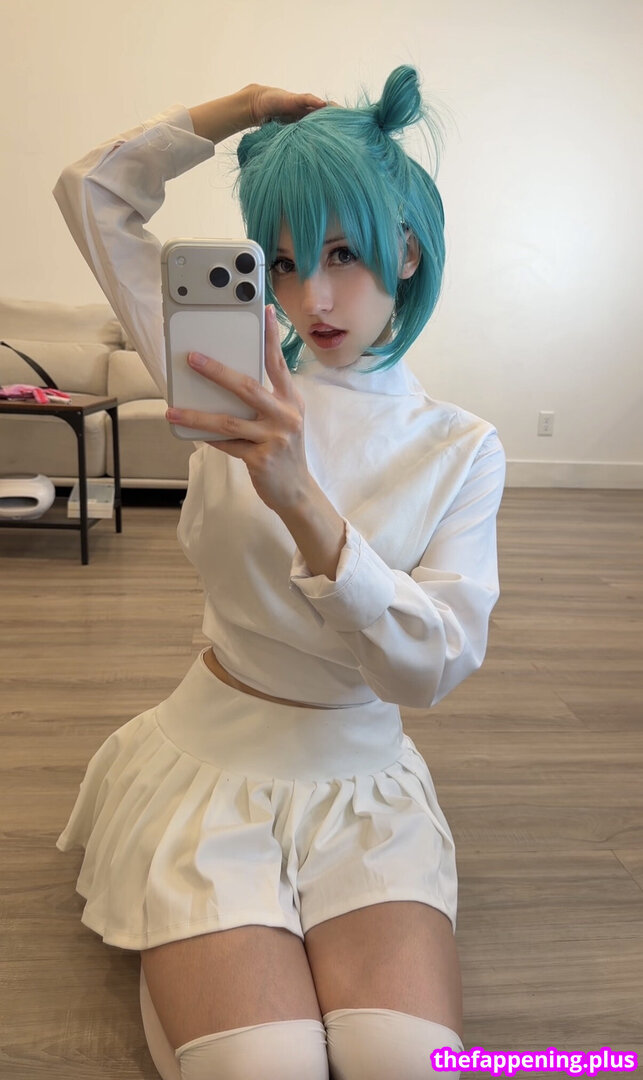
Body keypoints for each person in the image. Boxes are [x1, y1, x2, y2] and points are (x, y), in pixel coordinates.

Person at [53, 65, 505, 1080]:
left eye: (343, 254)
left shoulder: (460, 448)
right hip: (211, 767)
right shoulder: (222, 375)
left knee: (402, 1061)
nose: (311, 298)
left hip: (363, 787)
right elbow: (92, 191)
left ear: (406, 249)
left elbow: (433, 665)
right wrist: (240, 110)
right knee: (266, 1065)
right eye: (286, 262)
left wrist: (301, 497)